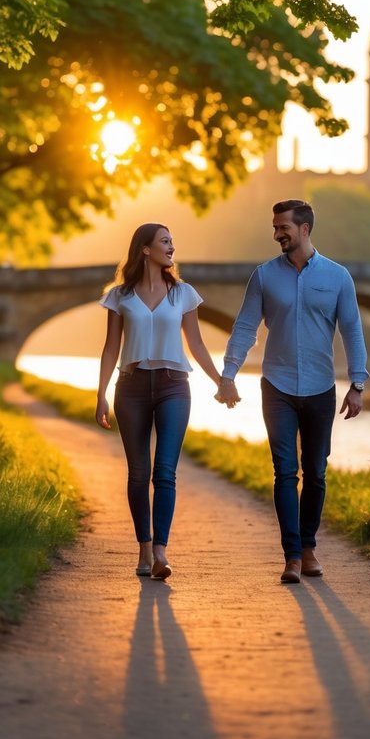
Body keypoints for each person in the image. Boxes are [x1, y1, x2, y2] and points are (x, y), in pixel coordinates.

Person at [217, 199, 369, 584]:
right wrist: (229, 373)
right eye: (274, 227)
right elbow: (245, 327)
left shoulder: (338, 277)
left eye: (283, 226)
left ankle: (308, 547)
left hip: (321, 388)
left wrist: (358, 383)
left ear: (304, 229)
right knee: (285, 472)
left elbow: (352, 330)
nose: (276, 233)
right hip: (278, 387)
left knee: (316, 473)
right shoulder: (264, 276)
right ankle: (291, 556)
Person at [96, 223, 223, 581]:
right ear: (145, 250)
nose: (172, 247)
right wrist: (101, 394)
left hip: (173, 387)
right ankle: (143, 546)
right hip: (130, 387)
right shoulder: (119, 296)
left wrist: (221, 382)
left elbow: (196, 344)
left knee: (164, 471)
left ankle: (161, 553)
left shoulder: (183, 294)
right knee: (138, 474)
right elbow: (110, 348)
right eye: (165, 241)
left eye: (172, 241)